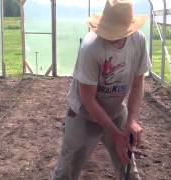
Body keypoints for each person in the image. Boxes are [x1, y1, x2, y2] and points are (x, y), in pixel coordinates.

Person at [52, 0, 150, 179]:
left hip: (116, 111)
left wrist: (130, 122)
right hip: (83, 114)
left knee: (127, 164)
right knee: (66, 170)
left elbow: (138, 82)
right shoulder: (91, 47)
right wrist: (115, 133)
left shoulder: (139, 42)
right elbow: (88, 98)